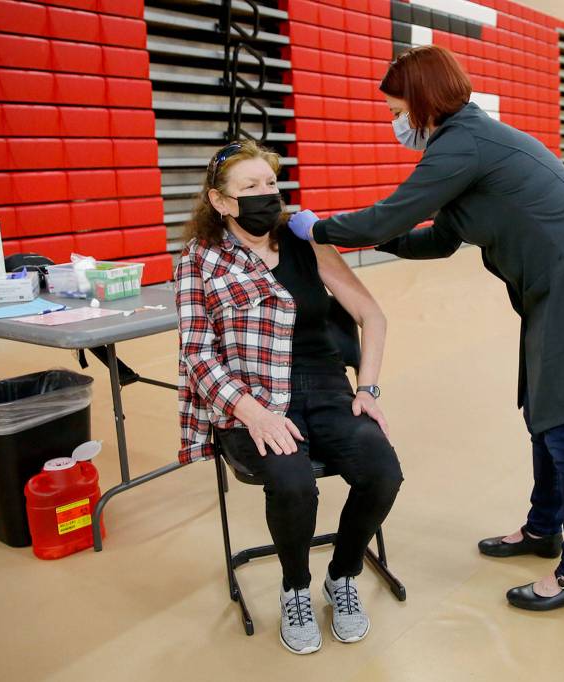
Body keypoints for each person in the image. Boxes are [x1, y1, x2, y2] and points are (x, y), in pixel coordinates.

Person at [286, 46, 564, 611]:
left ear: (421, 101)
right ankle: (543, 528)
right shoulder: (464, 147)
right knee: (545, 415)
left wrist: (320, 229)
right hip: (558, 288)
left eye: (395, 108)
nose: (394, 122)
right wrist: (360, 235)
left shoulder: (464, 143)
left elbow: (393, 214)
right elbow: (438, 238)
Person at [175, 140, 403, 653]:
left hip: (324, 384)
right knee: (292, 481)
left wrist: (367, 388)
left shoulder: (305, 242)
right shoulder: (201, 259)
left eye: (271, 184)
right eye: (250, 187)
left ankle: (341, 576)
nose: (267, 196)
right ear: (221, 202)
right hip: (251, 396)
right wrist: (251, 413)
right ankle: (295, 587)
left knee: (382, 470)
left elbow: (373, 316)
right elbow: (196, 353)